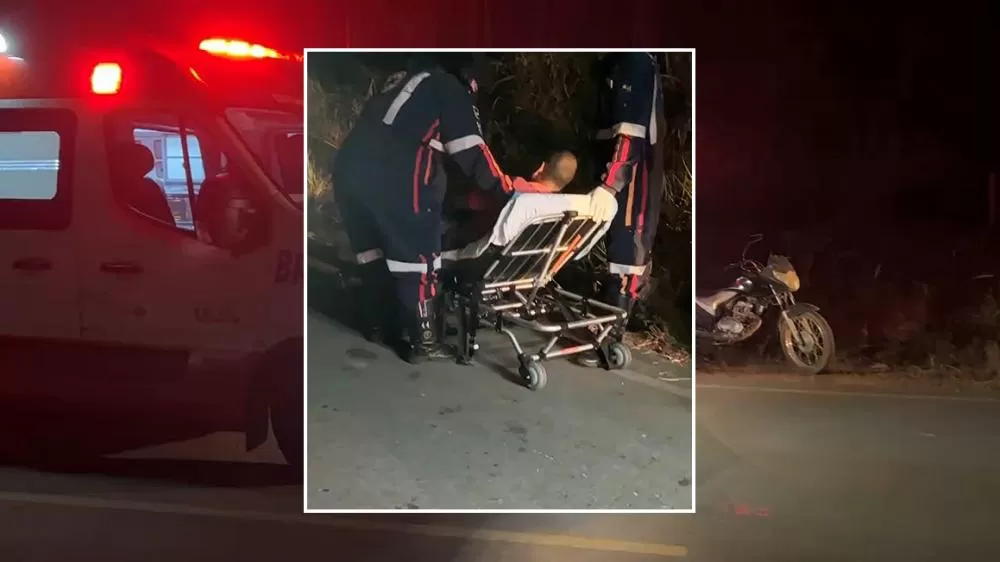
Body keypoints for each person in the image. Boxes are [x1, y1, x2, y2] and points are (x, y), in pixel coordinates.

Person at [332, 53, 556, 364]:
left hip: (349, 169)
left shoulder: (408, 80)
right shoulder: (449, 88)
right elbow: (472, 152)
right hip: (395, 173)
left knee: (373, 251)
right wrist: (506, 188)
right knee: (419, 252)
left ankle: (377, 323)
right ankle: (424, 342)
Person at [581, 52, 666, 365]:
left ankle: (608, 340)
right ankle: (606, 332)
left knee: (628, 256)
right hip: (616, 173)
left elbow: (630, 133)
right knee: (618, 254)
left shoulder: (637, 64)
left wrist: (611, 183)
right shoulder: (615, 66)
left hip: (633, 176)